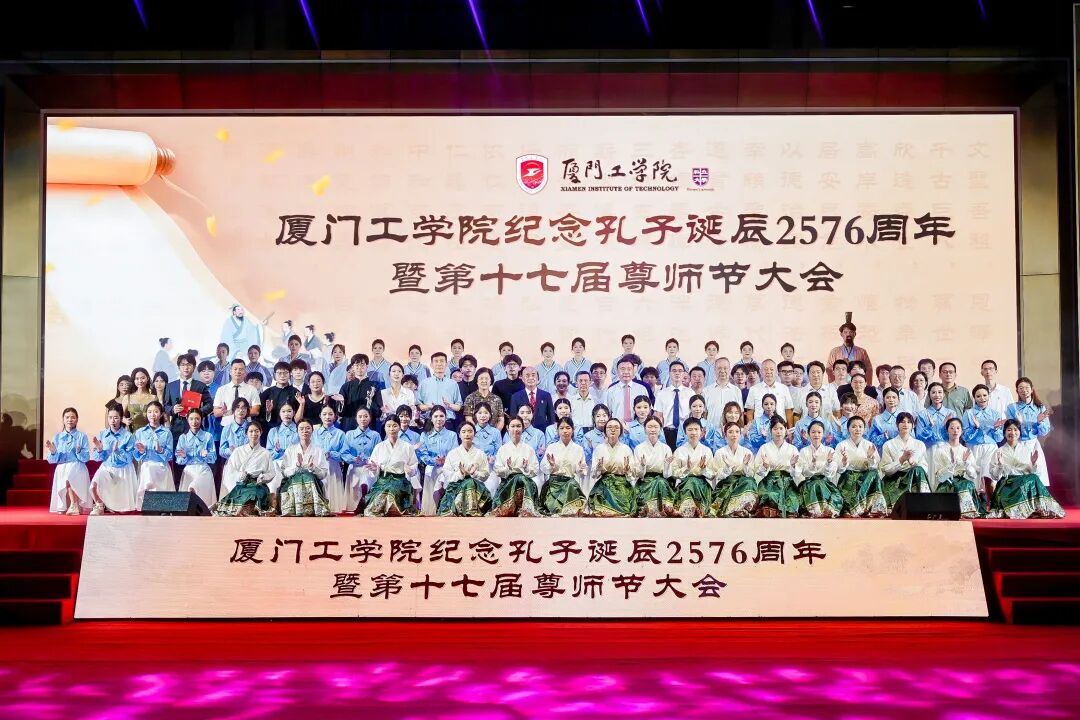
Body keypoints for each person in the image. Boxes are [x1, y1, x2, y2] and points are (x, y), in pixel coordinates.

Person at [987, 419, 1065, 519]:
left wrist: (1034, 464)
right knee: (1031, 479)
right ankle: (1032, 509)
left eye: (1015, 429)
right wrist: (1000, 465)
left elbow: (1034, 473)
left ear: (1019, 432)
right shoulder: (998, 451)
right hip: (1007, 485)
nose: (1012, 433)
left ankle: (1040, 508)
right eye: (1009, 430)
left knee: (1033, 478)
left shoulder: (1027, 450)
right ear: (1004, 432)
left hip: (1024, 483)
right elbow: (995, 476)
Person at [361, 416, 421, 516]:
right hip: (382, 481)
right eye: (388, 426)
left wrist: (410, 470)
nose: (391, 429)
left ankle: (393, 509)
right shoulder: (379, 447)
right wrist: (375, 469)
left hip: (400, 482)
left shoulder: (407, 447)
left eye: (394, 426)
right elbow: (373, 466)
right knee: (372, 508)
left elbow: (414, 466)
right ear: (384, 428)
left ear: (399, 427)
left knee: (391, 492)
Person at [214, 422, 277, 516]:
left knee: (255, 493)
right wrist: (239, 475)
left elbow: (271, 472)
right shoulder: (238, 451)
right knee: (237, 498)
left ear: (261, 432)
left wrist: (263, 477)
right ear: (246, 433)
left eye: (256, 431)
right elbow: (230, 470)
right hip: (242, 483)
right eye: (251, 431)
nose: (254, 434)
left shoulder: (265, 453)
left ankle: (248, 510)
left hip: (257, 484)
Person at [88, 405, 138, 514]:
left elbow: (129, 458)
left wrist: (118, 451)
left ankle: (113, 505)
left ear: (121, 418)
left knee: (123, 511)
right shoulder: (102, 434)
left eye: (116, 417)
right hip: (107, 467)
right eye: (110, 417)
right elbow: (97, 458)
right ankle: (99, 505)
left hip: (123, 469)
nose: (112, 420)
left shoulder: (128, 436)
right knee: (93, 486)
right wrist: (100, 450)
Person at [834, 416, 888, 517]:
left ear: (864, 429)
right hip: (848, 475)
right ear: (848, 429)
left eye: (860, 426)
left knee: (873, 474)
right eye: (854, 426)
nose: (857, 429)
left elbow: (875, 466)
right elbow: (838, 469)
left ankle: (872, 508)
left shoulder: (870, 445)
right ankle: (850, 508)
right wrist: (844, 462)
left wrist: (870, 457)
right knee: (849, 477)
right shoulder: (841, 445)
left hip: (865, 477)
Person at [438, 421, 495, 516]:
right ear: (459, 435)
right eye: (463, 432)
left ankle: (470, 510)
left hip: (477, 487)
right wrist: (461, 473)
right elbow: (447, 475)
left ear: (474, 434)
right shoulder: (452, 453)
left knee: (470, 482)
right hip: (456, 487)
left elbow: (485, 475)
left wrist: (474, 473)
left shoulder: (480, 454)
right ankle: (468, 510)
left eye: (470, 431)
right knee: (468, 482)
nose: (467, 434)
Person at [491, 416, 542, 517]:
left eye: (518, 426)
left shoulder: (529, 449)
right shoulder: (503, 449)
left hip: (526, 482)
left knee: (521, 478)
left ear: (523, 428)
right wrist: (507, 468)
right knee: (518, 478)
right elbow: (497, 470)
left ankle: (526, 509)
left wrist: (526, 468)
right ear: (507, 428)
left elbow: (535, 469)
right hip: (508, 482)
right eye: (513, 426)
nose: (515, 429)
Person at [879, 412, 930, 512]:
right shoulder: (888, 444)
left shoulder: (920, 445)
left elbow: (924, 468)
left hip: (913, 477)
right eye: (902, 422)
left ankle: (923, 504)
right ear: (897, 425)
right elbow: (886, 470)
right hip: (894, 479)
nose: (905, 424)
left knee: (918, 469)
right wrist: (901, 460)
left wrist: (912, 462)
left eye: (909, 422)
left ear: (913, 425)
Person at [933, 417, 984, 518]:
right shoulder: (940, 450)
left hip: (961, 481)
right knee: (958, 486)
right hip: (946, 483)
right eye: (952, 428)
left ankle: (967, 512)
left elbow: (973, 475)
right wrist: (951, 465)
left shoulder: (966, 451)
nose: (955, 431)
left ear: (961, 431)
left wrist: (966, 463)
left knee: (968, 484)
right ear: (947, 430)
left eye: (958, 428)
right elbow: (940, 478)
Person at [1006, 376, 1053, 486]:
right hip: (1018, 444)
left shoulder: (1040, 408)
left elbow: (1044, 432)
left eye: (1027, 387)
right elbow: (1010, 429)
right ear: (1017, 391)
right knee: (1018, 476)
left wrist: (1039, 422)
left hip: (1033, 444)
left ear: (1032, 389)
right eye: (1020, 388)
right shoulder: (1012, 407)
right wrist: (1018, 424)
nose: (1024, 390)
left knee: (1036, 476)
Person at [752, 416, 801, 518]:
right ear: (771, 431)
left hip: (787, 481)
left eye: (781, 428)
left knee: (792, 500)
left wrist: (793, 465)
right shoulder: (764, 448)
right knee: (769, 497)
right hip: (769, 481)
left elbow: (797, 473)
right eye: (775, 429)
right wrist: (765, 466)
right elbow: (757, 471)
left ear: (786, 430)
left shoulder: (792, 449)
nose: (778, 432)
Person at [539, 417, 589, 516]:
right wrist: (552, 466)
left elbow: (580, 471)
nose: (565, 431)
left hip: (570, 483)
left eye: (568, 428)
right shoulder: (551, 447)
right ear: (557, 430)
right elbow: (543, 467)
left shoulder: (578, 449)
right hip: (554, 484)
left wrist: (581, 469)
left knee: (571, 485)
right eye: (561, 428)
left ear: (573, 429)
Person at [587, 419, 637, 517]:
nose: (613, 430)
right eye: (609, 427)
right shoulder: (599, 449)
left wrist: (628, 470)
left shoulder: (626, 449)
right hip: (604, 485)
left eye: (616, 427)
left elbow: (632, 474)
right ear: (605, 431)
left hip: (622, 485)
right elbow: (594, 475)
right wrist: (598, 468)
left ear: (621, 431)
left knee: (624, 510)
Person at [46, 407, 91, 515]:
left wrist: (79, 452)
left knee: (70, 473)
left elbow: (86, 458)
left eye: (73, 417)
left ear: (77, 419)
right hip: (62, 466)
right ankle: (70, 504)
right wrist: (53, 452)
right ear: (63, 419)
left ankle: (74, 504)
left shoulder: (82, 436)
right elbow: (51, 460)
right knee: (66, 472)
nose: (70, 420)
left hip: (78, 466)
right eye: (67, 417)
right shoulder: (57, 437)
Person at [962, 384, 1005, 495]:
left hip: (991, 448)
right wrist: (975, 428)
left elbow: (999, 438)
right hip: (973, 447)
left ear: (989, 396)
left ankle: (990, 502)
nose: (982, 398)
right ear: (974, 398)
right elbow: (965, 436)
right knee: (973, 476)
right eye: (978, 396)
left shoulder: (995, 414)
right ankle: (975, 501)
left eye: (985, 395)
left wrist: (995, 429)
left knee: (989, 477)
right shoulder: (968, 413)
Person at [171, 407, 217, 509]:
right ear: (187, 420)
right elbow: (179, 460)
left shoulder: (208, 436)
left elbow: (213, 458)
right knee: (188, 502)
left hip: (203, 469)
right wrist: (184, 457)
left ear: (201, 419)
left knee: (201, 497)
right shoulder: (183, 438)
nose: (194, 422)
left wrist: (206, 455)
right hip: (189, 469)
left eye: (197, 419)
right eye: (191, 419)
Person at [796, 420, 844, 518]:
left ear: (823, 434)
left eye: (819, 432)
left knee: (822, 485)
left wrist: (829, 462)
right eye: (813, 432)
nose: (816, 435)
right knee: (816, 484)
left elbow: (831, 474)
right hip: (809, 483)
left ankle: (824, 510)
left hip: (826, 483)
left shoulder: (830, 450)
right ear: (808, 434)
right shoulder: (804, 451)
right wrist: (813, 464)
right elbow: (804, 473)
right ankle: (816, 510)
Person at [710, 422, 758, 518]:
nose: (734, 435)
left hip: (743, 483)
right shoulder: (719, 452)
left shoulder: (747, 452)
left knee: (750, 481)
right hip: (726, 484)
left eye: (737, 432)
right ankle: (732, 509)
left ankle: (741, 509)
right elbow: (716, 475)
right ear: (725, 434)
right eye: (730, 432)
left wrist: (745, 465)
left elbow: (751, 474)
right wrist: (727, 468)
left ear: (740, 434)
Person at [416, 406, 459, 515]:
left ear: (446, 418)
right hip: (432, 466)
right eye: (435, 416)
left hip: (448, 466)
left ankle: (447, 509)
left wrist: (445, 461)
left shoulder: (452, 435)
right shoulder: (425, 435)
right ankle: (429, 511)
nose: (438, 419)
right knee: (430, 471)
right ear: (431, 418)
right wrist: (434, 461)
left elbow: (455, 453)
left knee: (446, 472)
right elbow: (422, 454)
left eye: (441, 416)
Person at [671, 417, 714, 517]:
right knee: (691, 482)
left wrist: (704, 469)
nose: (693, 432)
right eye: (690, 430)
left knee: (693, 482)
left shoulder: (707, 451)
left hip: (702, 484)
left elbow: (712, 475)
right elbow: (674, 473)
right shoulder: (679, 451)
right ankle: (688, 509)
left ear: (701, 431)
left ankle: (694, 509)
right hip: (684, 484)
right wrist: (686, 468)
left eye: (696, 429)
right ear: (685, 432)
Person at [133, 401, 174, 508]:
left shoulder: (167, 432)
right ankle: (148, 506)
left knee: (163, 502)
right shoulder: (140, 432)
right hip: (147, 466)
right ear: (146, 414)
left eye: (156, 411)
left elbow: (170, 455)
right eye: (150, 412)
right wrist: (141, 451)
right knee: (147, 469)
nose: (152, 415)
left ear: (161, 414)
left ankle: (162, 508)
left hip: (161, 467)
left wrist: (160, 450)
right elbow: (136, 455)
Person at [633, 415, 675, 517]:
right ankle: (651, 509)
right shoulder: (639, 448)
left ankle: (662, 509)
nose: (653, 430)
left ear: (660, 429)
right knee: (657, 483)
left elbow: (667, 475)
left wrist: (666, 465)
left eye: (656, 427)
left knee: (660, 482)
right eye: (649, 427)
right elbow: (639, 474)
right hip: (645, 481)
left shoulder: (666, 448)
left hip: (662, 480)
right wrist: (642, 466)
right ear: (645, 429)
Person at [341, 408, 381, 509]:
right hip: (354, 469)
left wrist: (372, 461)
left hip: (369, 469)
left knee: (368, 493)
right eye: (360, 416)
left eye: (366, 416)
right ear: (356, 418)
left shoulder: (375, 435)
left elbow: (380, 453)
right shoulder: (349, 434)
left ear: (370, 418)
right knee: (354, 499)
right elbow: (344, 453)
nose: (363, 419)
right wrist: (353, 459)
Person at [312, 405, 348, 513]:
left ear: (335, 416)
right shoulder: (314, 434)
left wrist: (331, 454)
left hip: (334, 467)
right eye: (324, 414)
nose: (327, 417)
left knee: (333, 492)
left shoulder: (340, 434)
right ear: (320, 416)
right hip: (318, 466)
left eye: (330, 414)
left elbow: (344, 455)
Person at [338, 354, 383, 432]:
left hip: (369, 428)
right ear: (353, 367)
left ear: (367, 366)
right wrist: (341, 402)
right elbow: (340, 413)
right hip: (349, 428)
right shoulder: (346, 387)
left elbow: (378, 412)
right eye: (357, 365)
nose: (359, 368)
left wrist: (370, 401)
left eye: (362, 365)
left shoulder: (375, 386)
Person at [213, 359, 262, 430]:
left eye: (241, 369)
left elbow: (256, 411)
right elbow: (216, 413)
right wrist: (223, 411)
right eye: (235, 369)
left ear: (245, 372)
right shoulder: (221, 389)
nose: (238, 371)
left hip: (246, 427)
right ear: (230, 371)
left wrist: (235, 412)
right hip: (226, 426)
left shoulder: (252, 389)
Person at [418, 352, 464, 427]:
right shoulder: (424, 383)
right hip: (429, 421)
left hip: (448, 422)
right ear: (431, 365)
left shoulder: (453, 383)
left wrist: (449, 405)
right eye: (436, 361)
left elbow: (458, 407)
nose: (439, 364)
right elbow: (419, 406)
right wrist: (428, 407)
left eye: (442, 361)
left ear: (446, 364)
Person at [655, 361, 692, 449]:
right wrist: (660, 434)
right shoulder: (661, 393)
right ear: (669, 373)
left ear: (684, 373)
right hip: (667, 432)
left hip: (684, 432)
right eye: (674, 371)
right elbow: (659, 416)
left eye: (680, 371)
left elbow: (692, 415)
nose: (677, 373)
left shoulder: (690, 393)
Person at [746, 360, 794, 426]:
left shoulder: (784, 388)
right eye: (766, 369)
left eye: (771, 369)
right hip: (759, 427)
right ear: (760, 372)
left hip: (780, 428)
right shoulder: (753, 389)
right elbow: (750, 412)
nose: (768, 372)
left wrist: (790, 428)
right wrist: (751, 429)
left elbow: (788, 411)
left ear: (776, 372)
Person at [509, 366, 555, 431]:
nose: (530, 378)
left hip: (542, 432)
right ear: (522, 379)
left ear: (538, 379)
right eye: (527, 375)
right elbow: (513, 418)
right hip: (522, 433)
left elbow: (551, 419)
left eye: (533, 375)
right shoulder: (515, 397)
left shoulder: (546, 395)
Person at [260, 361, 300, 434]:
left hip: (291, 431)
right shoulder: (266, 393)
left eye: (285, 373)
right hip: (271, 430)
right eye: (279, 373)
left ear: (290, 374)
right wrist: (268, 412)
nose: (282, 376)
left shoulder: (296, 393)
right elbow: (260, 416)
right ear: (274, 375)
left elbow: (299, 414)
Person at [704, 358, 742, 429]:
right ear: (714, 370)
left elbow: (740, 414)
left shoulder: (736, 391)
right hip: (711, 432)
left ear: (729, 370)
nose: (722, 371)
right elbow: (704, 414)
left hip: (731, 432)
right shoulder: (706, 391)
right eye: (719, 368)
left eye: (725, 368)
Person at [266, 403, 300, 477]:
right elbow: (268, 455)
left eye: (289, 411)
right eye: (283, 411)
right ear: (279, 413)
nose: (286, 414)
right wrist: (276, 450)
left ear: (294, 413)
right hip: (277, 466)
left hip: (295, 465)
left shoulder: (299, 430)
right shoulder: (273, 431)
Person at [127, 367, 155, 432]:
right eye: (137, 379)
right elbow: (121, 416)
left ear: (147, 378)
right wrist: (125, 420)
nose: (140, 381)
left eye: (143, 378)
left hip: (150, 433)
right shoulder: (128, 397)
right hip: (132, 433)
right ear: (134, 380)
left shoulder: (154, 398)